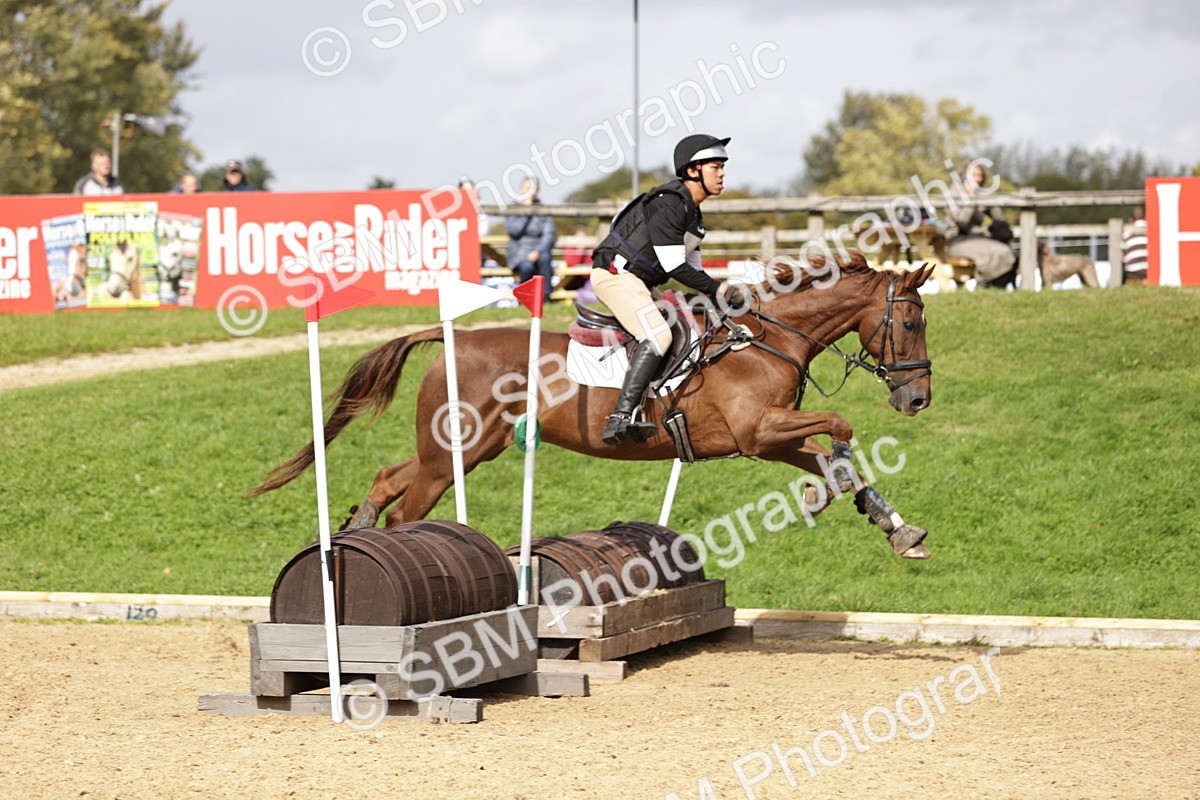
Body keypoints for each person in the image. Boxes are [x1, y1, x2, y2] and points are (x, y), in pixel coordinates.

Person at [590, 133, 747, 446]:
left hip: (638, 281)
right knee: (658, 335)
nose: (722, 174)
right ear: (692, 171)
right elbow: (675, 267)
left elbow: (695, 271)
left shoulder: (693, 215)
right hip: (615, 275)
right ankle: (621, 416)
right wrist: (719, 289)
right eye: (715, 167)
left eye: (722, 167)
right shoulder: (670, 204)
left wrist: (720, 298)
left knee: (688, 323)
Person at [946, 161, 1016, 289]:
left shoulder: (981, 193)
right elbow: (962, 222)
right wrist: (971, 198)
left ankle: (995, 288)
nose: (977, 179)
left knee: (1008, 251)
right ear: (964, 176)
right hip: (958, 241)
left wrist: (991, 200)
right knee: (1001, 251)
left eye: (980, 176)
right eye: (974, 175)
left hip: (977, 238)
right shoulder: (953, 193)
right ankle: (983, 284)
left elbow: (998, 218)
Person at [505, 176, 556, 302]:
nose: (530, 191)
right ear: (521, 189)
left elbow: (549, 235)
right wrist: (526, 211)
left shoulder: (543, 210)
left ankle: (546, 298)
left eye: (533, 188)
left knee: (545, 258)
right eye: (527, 188)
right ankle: (523, 298)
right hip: (519, 252)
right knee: (527, 267)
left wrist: (537, 251)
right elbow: (514, 231)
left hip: (540, 252)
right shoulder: (512, 208)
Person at [1121, 206, 1148, 284]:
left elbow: (1121, 257)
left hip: (1132, 275)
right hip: (1150, 275)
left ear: (1131, 220)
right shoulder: (1153, 231)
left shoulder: (1127, 234)